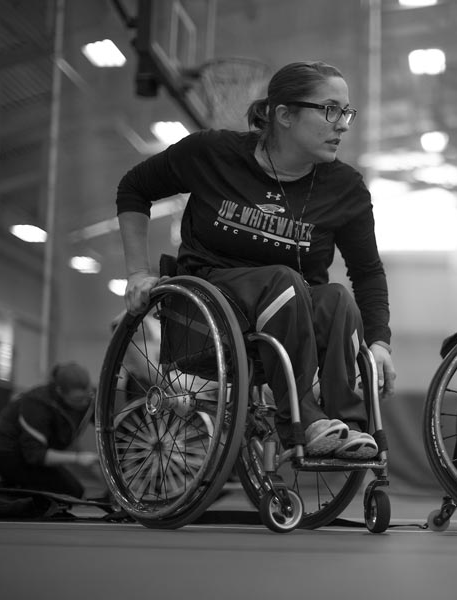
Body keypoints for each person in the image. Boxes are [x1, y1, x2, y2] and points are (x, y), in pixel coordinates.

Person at [115, 60, 395, 460]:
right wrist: (137, 273)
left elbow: (367, 273)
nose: (343, 124)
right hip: (207, 316)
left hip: (289, 326)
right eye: (330, 109)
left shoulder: (345, 187)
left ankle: (345, 423)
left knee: (336, 298)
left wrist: (380, 342)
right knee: (283, 280)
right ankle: (302, 420)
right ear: (284, 115)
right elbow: (133, 188)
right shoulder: (213, 153)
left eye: (346, 112)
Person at [0, 362, 98, 498]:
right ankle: (2, 485)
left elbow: (107, 427)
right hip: (2, 453)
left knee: (75, 490)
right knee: (68, 492)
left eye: (87, 396)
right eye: (78, 399)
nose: (84, 403)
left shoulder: (89, 399)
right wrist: (78, 458)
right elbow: (35, 455)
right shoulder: (37, 403)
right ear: (60, 391)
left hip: (31, 455)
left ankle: (9, 482)